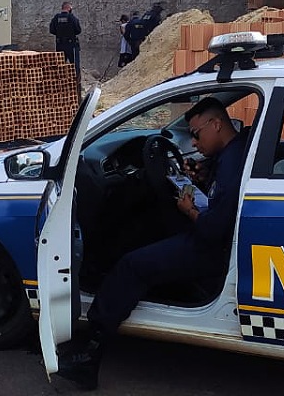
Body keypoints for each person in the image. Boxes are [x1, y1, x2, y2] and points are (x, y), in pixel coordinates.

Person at [56, 96, 249, 390]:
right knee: (151, 232)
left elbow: (212, 229)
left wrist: (190, 211)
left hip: (212, 250)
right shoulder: (231, 155)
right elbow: (221, 200)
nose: (194, 143)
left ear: (216, 124)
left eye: (196, 134)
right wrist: (201, 179)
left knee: (132, 265)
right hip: (219, 243)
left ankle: (90, 353)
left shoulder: (232, 163)